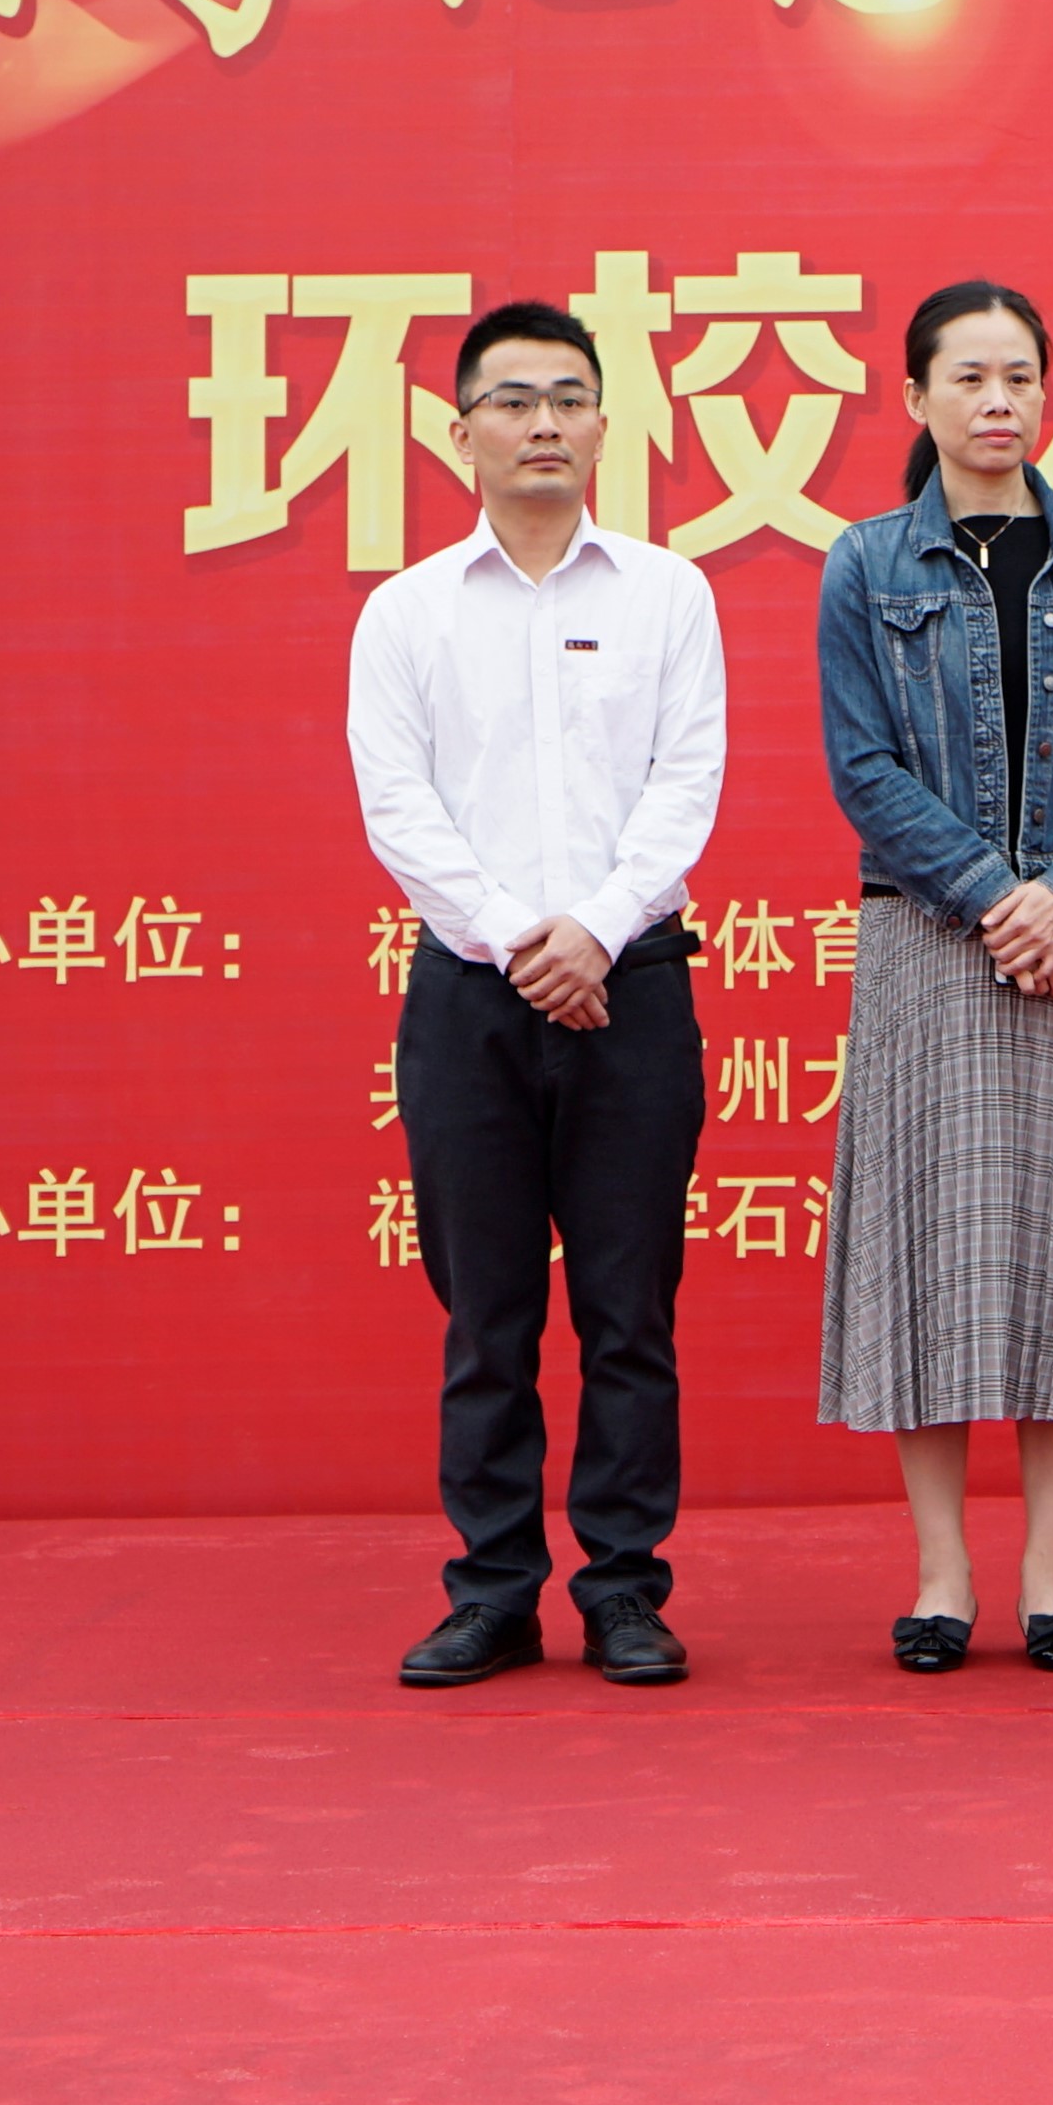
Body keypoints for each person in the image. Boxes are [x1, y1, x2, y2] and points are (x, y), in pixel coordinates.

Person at [350, 297, 727, 1689]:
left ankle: (625, 1589)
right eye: (513, 401)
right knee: (486, 1316)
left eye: (570, 398)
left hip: (634, 992)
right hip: (470, 1001)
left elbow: (685, 786)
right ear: (461, 435)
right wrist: (523, 940)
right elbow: (400, 807)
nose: (545, 424)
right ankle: (494, 1590)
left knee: (631, 1314)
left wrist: (597, 934)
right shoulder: (406, 613)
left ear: (606, 427)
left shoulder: (668, 594)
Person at [817, 277, 1053, 1675]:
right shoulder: (866, 562)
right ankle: (939, 1574)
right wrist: (991, 895)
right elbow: (862, 767)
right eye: (967, 378)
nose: (997, 402)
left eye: (1020, 376)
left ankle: (1050, 1571)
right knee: (928, 1247)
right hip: (926, 939)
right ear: (915, 397)